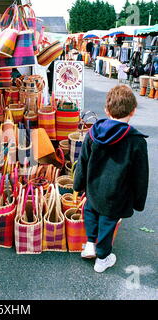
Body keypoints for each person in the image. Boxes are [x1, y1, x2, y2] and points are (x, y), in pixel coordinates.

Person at [73, 85, 149, 273]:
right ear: (133, 111)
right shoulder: (136, 141)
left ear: (106, 110)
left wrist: (78, 186)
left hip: (93, 188)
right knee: (108, 223)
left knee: (90, 211)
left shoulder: (93, 134)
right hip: (117, 194)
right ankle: (103, 257)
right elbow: (141, 175)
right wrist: (138, 202)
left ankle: (90, 243)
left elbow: (82, 163)